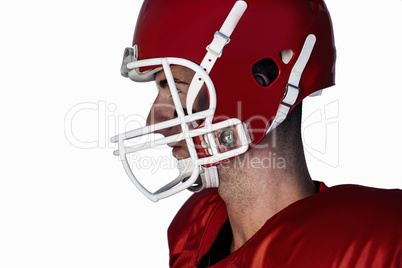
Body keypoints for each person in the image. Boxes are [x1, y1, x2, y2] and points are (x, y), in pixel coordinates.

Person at [112, 0, 402, 266]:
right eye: (160, 88)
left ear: (259, 82)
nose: (154, 120)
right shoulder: (194, 232)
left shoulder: (380, 241)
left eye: (176, 88)